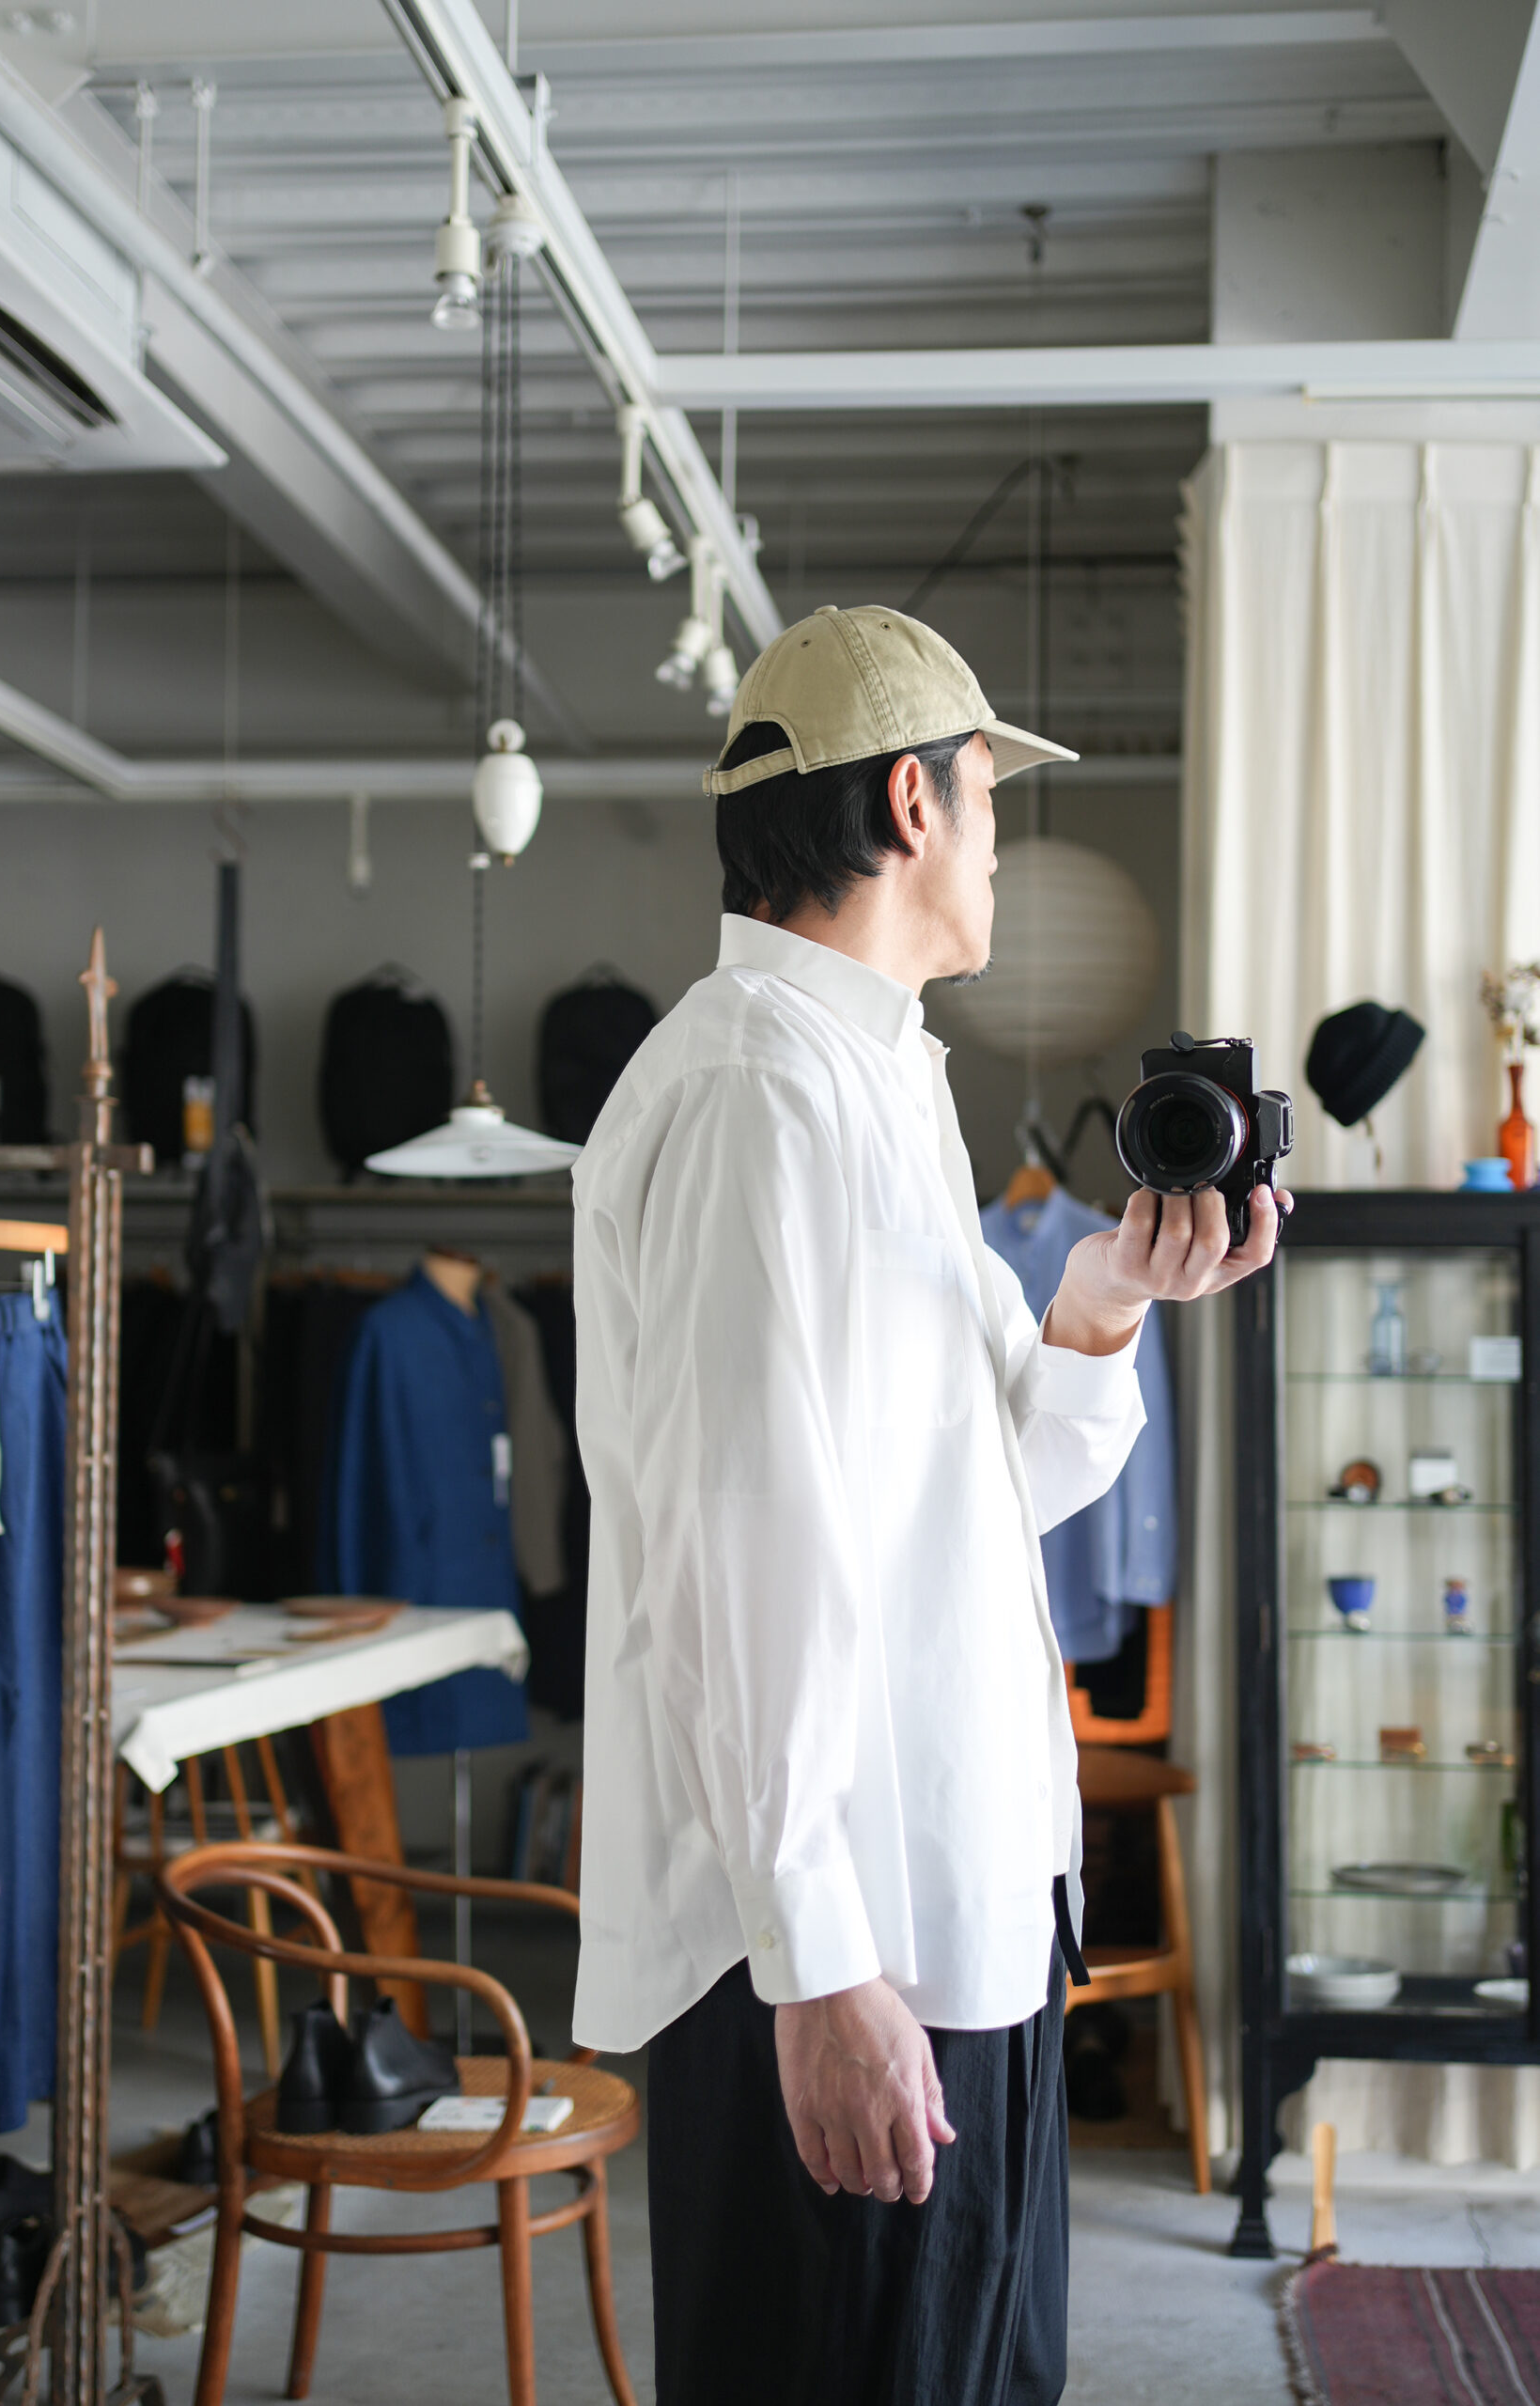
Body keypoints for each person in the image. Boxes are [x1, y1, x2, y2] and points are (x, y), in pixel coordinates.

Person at [570, 605, 1283, 2406]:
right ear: (911, 801)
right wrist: (822, 1973)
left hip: (951, 1918)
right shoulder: (759, 1092)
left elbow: (982, 1492)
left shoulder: (875, 1082)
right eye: (989, 799)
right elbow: (740, 1559)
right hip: (849, 1945)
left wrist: (1106, 1302)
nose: (998, 846)